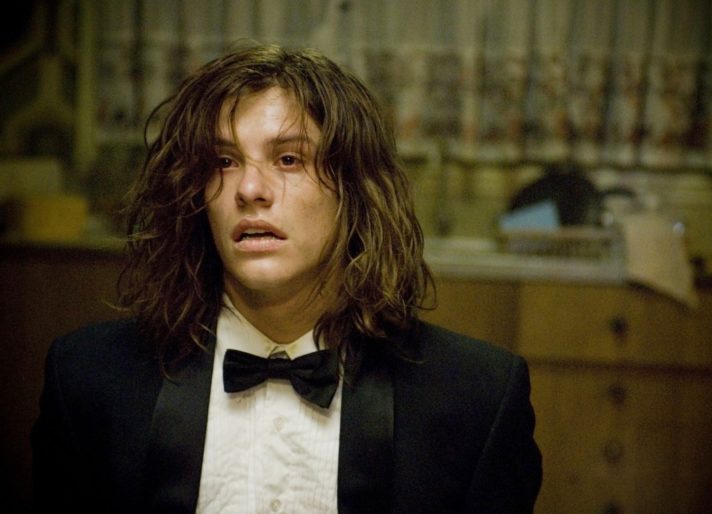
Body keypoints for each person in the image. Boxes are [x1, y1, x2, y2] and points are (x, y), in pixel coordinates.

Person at [31, 44, 542, 513]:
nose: (249, 188)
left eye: (289, 159)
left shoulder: (476, 398)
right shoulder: (89, 380)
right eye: (224, 161)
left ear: (354, 190)